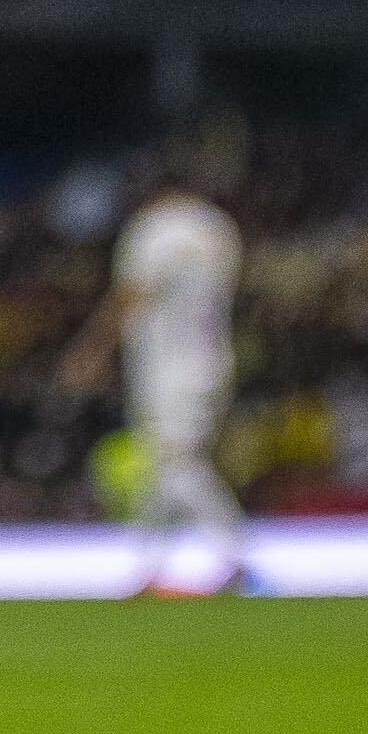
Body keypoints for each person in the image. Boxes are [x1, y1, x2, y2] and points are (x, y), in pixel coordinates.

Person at [58, 137, 249, 596]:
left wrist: (89, 353)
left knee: (173, 465)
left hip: (168, 369)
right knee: (159, 468)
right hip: (212, 359)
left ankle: (237, 555)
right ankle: (151, 566)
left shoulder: (155, 229)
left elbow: (131, 296)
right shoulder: (218, 228)